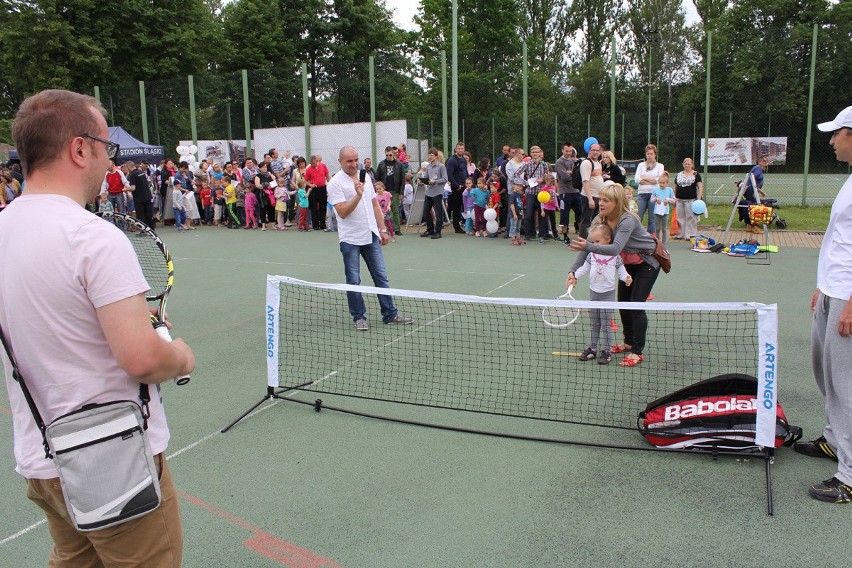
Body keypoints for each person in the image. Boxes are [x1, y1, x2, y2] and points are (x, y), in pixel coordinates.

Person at [0, 89, 194, 566]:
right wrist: (182, 354)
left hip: (44, 459)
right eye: (108, 147)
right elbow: (143, 359)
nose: (110, 161)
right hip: (116, 459)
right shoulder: (93, 235)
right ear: (79, 148)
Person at [794, 106, 852, 504]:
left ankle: (849, 476)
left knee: (846, 385)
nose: (831, 141)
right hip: (832, 292)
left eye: (837, 133)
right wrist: (822, 286)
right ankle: (833, 441)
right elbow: (837, 240)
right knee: (824, 372)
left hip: (848, 296)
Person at [568, 182, 660, 367]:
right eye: (600, 199)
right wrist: (572, 272)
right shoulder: (599, 221)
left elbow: (615, 248)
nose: (601, 203)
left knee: (636, 304)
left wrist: (588, 246)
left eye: (606, 200)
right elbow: (587, 249)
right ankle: (628, 341)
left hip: (647, 262)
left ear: (617, 203)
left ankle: (637, 351)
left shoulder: (628, 220)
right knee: (623, 304)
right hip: (627, 263)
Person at [327, 146, 413, 331]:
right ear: (340, 161)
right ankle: (358, 317)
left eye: (355, 159)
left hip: (371, 236)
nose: (354, 164)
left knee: (381, 277)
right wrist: (357, 196)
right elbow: (342, 212)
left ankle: (390, 314)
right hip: (350, 239)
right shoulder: (335, 183)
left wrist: (382, 229)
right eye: (349, 161)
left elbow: (374, 204)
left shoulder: (365, 176)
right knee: (353, 280)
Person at [571, 223, 632, 365]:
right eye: (592, 242)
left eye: (597, 242)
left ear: (608, 240)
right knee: (594, 324)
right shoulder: (591, 255)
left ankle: (607, 351)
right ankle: (592, 349)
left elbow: (621, 270)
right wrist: (575, 275)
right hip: (594, 294)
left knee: (606, 325)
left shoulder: (614, 256)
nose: (593, 245)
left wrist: (626, 278)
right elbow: (584, 268)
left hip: (607, 295)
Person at [513, 145, 550, 241]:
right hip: (530, 192)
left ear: (539, 153)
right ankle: (528, 234)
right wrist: (524, 182)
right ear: (530, 153)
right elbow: (516, 174)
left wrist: (542, 180)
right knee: (528, 214)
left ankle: (542, 234)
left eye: (536, 152)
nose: (535, 154)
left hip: (541, 192)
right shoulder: (527, 164)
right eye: (533, 152)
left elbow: (548, 177)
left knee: (542, 214)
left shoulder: (544, 164)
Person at [634, 144, 664, 234]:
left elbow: (659, 180)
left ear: (655, 154)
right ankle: (637, 234)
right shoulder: (641, 165)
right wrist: (651, 180)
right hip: (642, 194)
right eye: (648, 154)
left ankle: (651, 236)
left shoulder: (660, 166)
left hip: (654, 194)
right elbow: (636, 179)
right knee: (638, 215)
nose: (649, 155)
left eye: (651, 154)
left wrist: (644, 179)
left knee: (652, 218)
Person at [555, 142, 581, 240]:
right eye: (566, 151)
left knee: (580, 213)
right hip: (565, 192)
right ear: (562, 150)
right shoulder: (559, 162)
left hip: (575, 191)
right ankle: (565, 236)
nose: (568, 153)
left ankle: (582, 235)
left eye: (570, 151)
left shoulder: (574, 161)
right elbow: (564, 177)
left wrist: (572, 173)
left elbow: (579, 174)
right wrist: (573, 174)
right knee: (564, 215)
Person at [578, 142, 604, 238]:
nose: (595, 152)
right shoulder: (586, 163)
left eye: (597, 150)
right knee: (586, 221)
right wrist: (590, 199)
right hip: (589, 197)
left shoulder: (598, 163)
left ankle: (592, 240)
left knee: (595, 221)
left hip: (598, 197)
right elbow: (585, 181)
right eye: (593, 150)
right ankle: (583, 242)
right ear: (589, 151)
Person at [673, 157, 703, 241]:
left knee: (691, 218)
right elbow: (675, 186)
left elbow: (700, 186)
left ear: (692, 165)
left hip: (691, 200)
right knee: (680, 217)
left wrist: (699, 199)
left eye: (689, 164)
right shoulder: (679, 174)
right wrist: (674, 197)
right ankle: (680, 234)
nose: (687, 165)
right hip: (679, 199)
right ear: (683, 165)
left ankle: (690, 235)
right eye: (685, 164)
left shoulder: (696, 174)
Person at [421, 148, 448, 239]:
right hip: (429, 192)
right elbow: (426, 178)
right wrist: (422, 181)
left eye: (432, 155)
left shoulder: (441, 166)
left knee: (438, 212)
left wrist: (435, 181)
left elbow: (445, 179)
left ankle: (438, 232)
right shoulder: (428, 166)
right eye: (429, 155)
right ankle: (430, 230)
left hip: (437, 192)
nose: (430, 157)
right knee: (425, 211)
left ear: (436, 156)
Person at [376, 146, 405, 233]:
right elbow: (377, 177)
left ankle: (396, 229)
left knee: (395, 210)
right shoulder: (381, 164)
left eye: (390, 155)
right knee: (383, 210)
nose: (388, 156)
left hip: (395, 190)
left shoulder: (399, 164)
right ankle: (386, 228)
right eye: (387, 155)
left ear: (393, 154)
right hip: (384, 191)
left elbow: (402, 179)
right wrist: (379, 190)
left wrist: (401, 192)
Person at [738, 155, 769, 233]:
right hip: (751, 190)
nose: (766, 162)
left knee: (750, 207)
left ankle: (749, 226)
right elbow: (752, 180)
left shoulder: (758, 169)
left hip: (751, 190)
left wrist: (760, 191)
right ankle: (754, 227)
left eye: (766, 161)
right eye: (764, 161)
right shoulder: (758, 169)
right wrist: (755, 191)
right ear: (759, 162)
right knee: (754, 208)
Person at [444, 142, 469, 233]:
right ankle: (456, 227)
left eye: (462, 148)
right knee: (457, 207)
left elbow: (465, 172)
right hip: (456, 188)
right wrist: (456, 185)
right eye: (459, 148)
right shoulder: (452, 160)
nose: (460, 150)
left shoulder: (463, 159)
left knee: (466, 206)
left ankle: (468, 225)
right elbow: (449, 174)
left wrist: (468, 183)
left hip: (464, 187)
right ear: (455, 149)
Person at [127, 160, 156, 230]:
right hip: (147, 196)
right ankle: (151, 229)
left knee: (141, 215)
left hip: (139, 198)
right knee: (148, 214)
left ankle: (143, 231)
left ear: (129, 167)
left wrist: (124, 189)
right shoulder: (142, 172)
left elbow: (133, 188)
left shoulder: (132, 175)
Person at [305, 155, 330, 230]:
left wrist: (331, 184)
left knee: (323, 206)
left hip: (322, 188)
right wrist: (310, 185)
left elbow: (327, 176)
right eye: (311, 163)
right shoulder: (309, 169)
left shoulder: (323, 166)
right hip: (314, 189)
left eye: (314, 163)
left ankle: (322, 224)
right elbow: (305, 180)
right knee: (314, 207)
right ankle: (315, 225)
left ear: (317, 161)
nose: (313, 165)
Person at [650, 172, 675, 245]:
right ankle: (658, 243)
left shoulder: (669, 190)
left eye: (663, 183)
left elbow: (674, 200)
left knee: (664, 228)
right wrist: (656, 199)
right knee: (657, 228)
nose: (661, 184)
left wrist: (668, 200)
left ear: (667, 183)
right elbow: (651, 200)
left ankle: (663, 244)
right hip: (657, 212)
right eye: (660, 183)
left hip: (665, 212)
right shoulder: (655, 190)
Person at [539, 173, 558, 242]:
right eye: (550, 182)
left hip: (552, 207)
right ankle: (541, 236)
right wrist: (542, 210)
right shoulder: (544, 188)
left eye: (553, 182)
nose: (551, 184)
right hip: (546, 207)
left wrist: (557, 206)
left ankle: (556, 235)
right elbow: (541, 200)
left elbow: (555, 197)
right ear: (546, 181)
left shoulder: (553, 187)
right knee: (543, 222)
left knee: (553, 222)